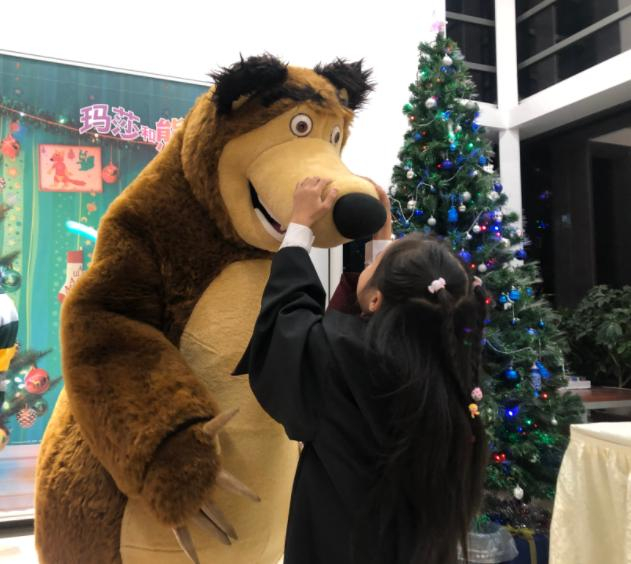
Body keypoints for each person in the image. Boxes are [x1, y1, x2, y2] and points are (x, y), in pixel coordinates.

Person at [235, 177, 488, 564]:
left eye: (377, 264)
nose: (370, 262)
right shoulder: (450, 367)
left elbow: (287, 328)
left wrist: (299, 228)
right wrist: (383, 246)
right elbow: (386, 318)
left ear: (376, 300)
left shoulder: (341, 358)